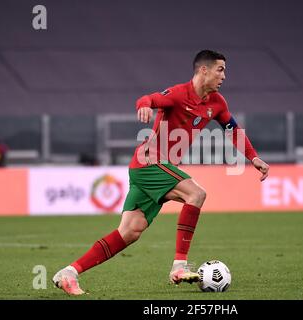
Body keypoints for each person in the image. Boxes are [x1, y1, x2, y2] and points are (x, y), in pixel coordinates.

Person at [52, 50, 270, 295]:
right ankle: (179, 266)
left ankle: (69, 272)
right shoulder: (178, 94)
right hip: (149, 163)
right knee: (196, 194)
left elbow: (233, 130)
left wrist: (253, 157)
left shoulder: (217, 103)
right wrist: (144, 106)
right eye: (220, 70)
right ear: (203, 70)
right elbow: (147, 99)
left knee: (130, 232)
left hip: (155, 170)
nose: (224, 76)